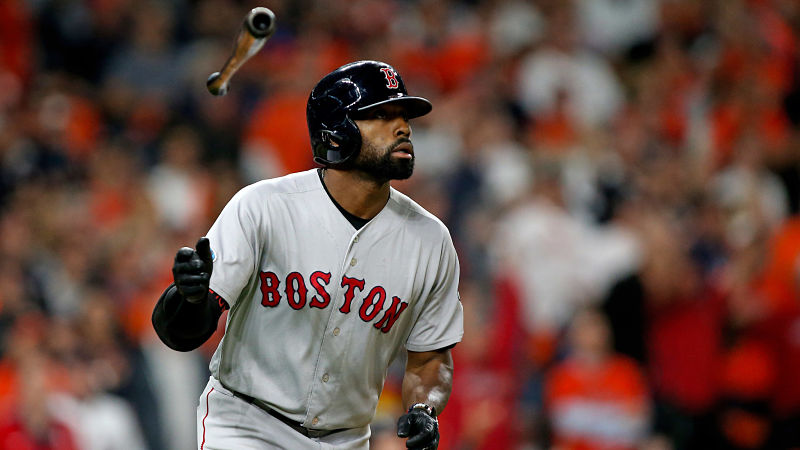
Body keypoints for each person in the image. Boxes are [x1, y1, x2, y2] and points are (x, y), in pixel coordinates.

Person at [151, 60, 464, 450]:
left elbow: (430, 359)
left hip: (346, 439)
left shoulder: (431, 240)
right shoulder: (263, 207)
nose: (403, 127)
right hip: (246, 426)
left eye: (403, 115)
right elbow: (180, 334)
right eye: (381, 115)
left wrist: (425, 407)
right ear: (335, 134)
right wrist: (186, 298)